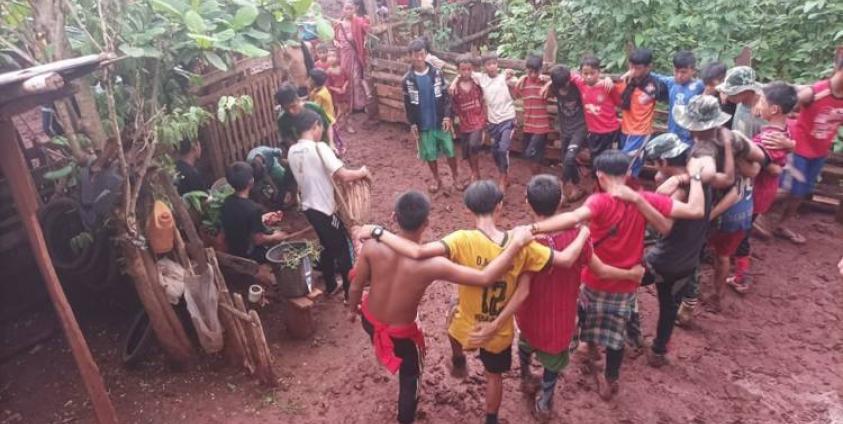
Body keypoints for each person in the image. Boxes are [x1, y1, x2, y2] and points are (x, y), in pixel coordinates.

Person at [356, 180, 597, 424]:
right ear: (499, 206)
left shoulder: (461, 239)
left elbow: (417, 252)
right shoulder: (523, 244)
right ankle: (491, 419)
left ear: (467, 210)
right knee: (494, 376)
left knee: (453, 318)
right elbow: (563, 262)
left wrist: (378, 232)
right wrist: (584, 233)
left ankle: (458, 359)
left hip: (467, 322)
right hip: (498, 329)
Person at [525, 150, 707, 400]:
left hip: (594, 278)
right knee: (615, 337)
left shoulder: (599, 201)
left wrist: (532, 229)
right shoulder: (645, 199)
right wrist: (695, 176)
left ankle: (590, 349)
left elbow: (573, 217)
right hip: (625, 283)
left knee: (584, 315)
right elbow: (695, 210)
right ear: (628, 173)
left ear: (600, 175)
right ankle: (611, 379)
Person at [348, 191, 535, 424]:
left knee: (383, 333)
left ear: (394, 216)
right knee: (410, 377)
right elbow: (485, 277)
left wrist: (351, 310)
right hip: (402, 336)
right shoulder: (433, 264)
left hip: (369, 319)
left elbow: (356, 287)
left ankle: (384, 352)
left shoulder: (372, 247)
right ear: (426, 223)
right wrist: (515, 244)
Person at [486, 174, 644, 419]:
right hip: (559, 317)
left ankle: (526, 376)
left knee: (526, 342)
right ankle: (545, 402)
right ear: (560, 201)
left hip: (528, 313)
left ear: (527, 202)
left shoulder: (523, 240)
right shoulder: (577, 236)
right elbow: (601, 270)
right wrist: (630, 274)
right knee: (553, 361)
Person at [633, 134, 712, 368]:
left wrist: (642, 204)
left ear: (664, 162)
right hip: (688, 259)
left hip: (664, 260)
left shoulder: (681, 191)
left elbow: (664, 226)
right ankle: (658, 351)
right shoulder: (701, 179)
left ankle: (629, 333)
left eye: (656, 163)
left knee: (622, 282)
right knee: (669, 305)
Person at [287, 109, 370, 298]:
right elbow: (344, 175)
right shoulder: (319, 148)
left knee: (325, 245)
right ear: (315, 126)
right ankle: (350, 294)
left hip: (308, 207)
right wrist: (362, 172)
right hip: (324, 209)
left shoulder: (292, 151)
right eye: (321, 127)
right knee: (343, 250)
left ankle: (331, 285)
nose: (321, 132)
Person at [728, 82, 798, 293]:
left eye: (762, 102)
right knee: (743, 227)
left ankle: (741, 277)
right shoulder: (783, 130)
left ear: (774, 109)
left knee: (742, 232)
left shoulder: (768, 139)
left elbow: (755, 165)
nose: (758, 105)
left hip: (755, 191)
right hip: (765, 189)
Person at [777, 50, 843, 245]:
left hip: (819, 151)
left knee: (801, 191)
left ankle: (782, 224)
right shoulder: (814, 92)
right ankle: (756, 214)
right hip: (798, 147)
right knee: (786, 188)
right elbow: (785, 108)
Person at [451, 53, 517, 193]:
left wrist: (513, 76)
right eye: (488, 64)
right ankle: (498, 175)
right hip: (492, 121)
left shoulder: (505, 77)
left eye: (494, 63)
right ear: (483, 67)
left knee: (503, 149)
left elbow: (517, 83)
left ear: (498, 64)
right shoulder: (481, 78)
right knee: (494, 151)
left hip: (508, 119)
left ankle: (503, 178)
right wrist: (454, 81)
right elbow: (463, 73)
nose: (492, 66)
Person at [402, 38, 460, 193]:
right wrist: (413, 123)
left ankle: (456, 176)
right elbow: (408, 104)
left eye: (422, 54)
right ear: (410, 56)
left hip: (440, 121)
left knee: (450, 149)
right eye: (415, 55)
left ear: (426, 53)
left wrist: (447, 116)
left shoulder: (437, 73)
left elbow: (447, 97)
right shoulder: (408, 80)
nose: (419, 58)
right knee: (429, 153)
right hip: (423, 123)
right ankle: (436, 179)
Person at [220, 162, 288, 262]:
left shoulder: (227, 202)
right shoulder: (254, 209)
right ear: (251, 182)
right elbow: (258, 240)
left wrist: (263, 217)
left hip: (234, 250)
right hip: (249, 255)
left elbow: (239, 221)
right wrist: (275, 237)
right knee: (282, 247)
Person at [617, 48, 667, 177]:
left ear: (648, 67)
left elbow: (649, 95)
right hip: (625, 129)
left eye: (637, 68)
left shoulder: (652, 85)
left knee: (625, 166)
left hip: (640, 132)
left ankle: (626, 188)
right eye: (631, 66)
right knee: (631, 165)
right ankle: (631, 187)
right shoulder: (628, 80)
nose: (633, 70)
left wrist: (628, 79)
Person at [546, 65, 587, 201]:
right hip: (565, 129)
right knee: (566, 159)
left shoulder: (576, 87)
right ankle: (576, 186)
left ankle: (562, 187)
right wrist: (547, 84)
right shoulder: (554, 87)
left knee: (569, 158)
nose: (564, 88)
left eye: (566, 84)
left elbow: (581, 77)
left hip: (580, 127)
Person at [652, 51, 705, 145]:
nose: (679, 75)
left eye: (683, 72)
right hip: (672, 137)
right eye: (676, 71)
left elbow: (715, 85)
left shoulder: (699, 86)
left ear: (693, 70)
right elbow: (653, 76)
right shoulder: (671, 82)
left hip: (690, 139)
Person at [579, 55, 621, 168]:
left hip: (609, 130)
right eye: (585, 73)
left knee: (607, 161)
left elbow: (619, 103)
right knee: (595, 159)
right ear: (581, 73)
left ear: (599, 72)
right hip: (593, 131)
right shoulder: (581, 84)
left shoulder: (607, 86)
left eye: (592, 73)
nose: (589, 77)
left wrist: (608, 80)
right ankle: (597, 178)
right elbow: (568, 75)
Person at [514, 55, 553, 175]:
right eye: (530, 72)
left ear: (541, 70)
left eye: (536, 72)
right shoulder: (523, 82)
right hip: (528, 126)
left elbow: (559, 81)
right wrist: (521, 78)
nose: (533, 75)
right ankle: (536, 178)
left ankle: (536, 179)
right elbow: (516, 93)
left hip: (541, 128)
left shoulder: (544, 83)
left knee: (531, 153)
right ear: (526, 70)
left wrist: (548, 82)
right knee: (531, 156)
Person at [451, 54, 486, 183]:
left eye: (469, 69)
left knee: (473, 145)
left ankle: (475, 174)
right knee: (466, 151)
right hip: (464, 123)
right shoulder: (454, 88)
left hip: (477, 120)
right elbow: (453, 105)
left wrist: (484, 122)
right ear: (458, 70)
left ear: (472, 69)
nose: (466, 72)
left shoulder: (477, 83)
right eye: (463, 69)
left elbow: (484, 100)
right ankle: (474, 173)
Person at [334, 1, 370, 113]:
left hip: (355, 55)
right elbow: (335, 39)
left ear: (355, 9)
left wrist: (368, 22)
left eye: (351, 8)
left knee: (356, 79)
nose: (348, 11)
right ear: (342, 10)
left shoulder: (359, 21)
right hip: (344, 56)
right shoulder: (338, 24)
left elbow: (368, 30)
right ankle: (348, 106)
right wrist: (336, 43)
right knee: (346, 79)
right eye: (346, 8)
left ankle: (359, 105)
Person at [276, 82, 336, 150]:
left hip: (324, 147)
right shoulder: (282, 120)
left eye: (293, 106)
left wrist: (331, 143)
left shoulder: (313, 108)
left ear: (298, 99)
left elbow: (328, 125)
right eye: (286, 109)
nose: (291, 111)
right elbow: (287, 137)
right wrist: (299, 149)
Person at [309, 68, 347, 155]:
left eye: (310, 79)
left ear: (314, 81)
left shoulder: (320, 95)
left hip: (326, 120)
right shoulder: (321, 90)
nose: (308, 80)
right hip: (328, 118)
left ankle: (336, 153)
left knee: (330, 140)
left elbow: (314, 108)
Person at [326, 49, 353, 133]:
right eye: (329, 56)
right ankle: (336, 124)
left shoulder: (342, 69)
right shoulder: (328, 72)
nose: (331, 58)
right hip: (336, 95)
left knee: (347, 109)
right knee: (341, 110)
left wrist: (344, 87)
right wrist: (336, 89)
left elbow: (347, 79)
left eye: (333, 56)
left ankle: (346, 125)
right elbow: (328, 85)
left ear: (338, 58)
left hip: (344, 93)